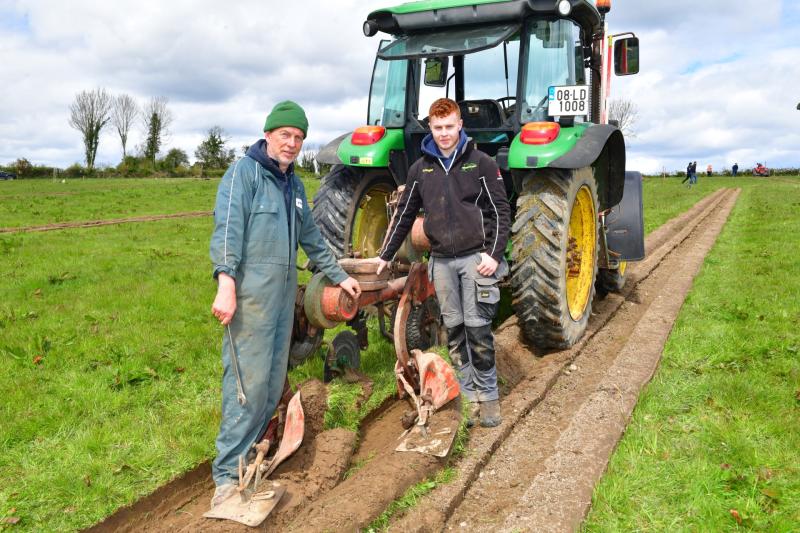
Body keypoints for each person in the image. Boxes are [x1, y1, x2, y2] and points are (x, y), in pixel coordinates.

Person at [208, 101, 361, 507]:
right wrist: (226, 283)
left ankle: (251, 464)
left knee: (273, 382)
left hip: (282, 302)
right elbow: (227, 230)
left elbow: (312, 237)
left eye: (299, 138)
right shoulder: (245, 174)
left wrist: (342, 276)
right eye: (285, 136)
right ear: (268, 134)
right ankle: (226, 478)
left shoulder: (293, 184)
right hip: (252, 298)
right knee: (247, 386)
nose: (292, 144)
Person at [373, 98, 511, 428]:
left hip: (474, 261)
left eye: (450, 126)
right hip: (442, 264)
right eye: (438, 128)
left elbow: (500, 212)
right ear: (430, 129)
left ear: (460, 125)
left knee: (479, 330)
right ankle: (467, 397)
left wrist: (492, 255)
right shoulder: (421, 170)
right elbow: (405, 216)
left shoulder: (480, 164)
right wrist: (385, 255)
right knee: (455, 332)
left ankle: (488, 398)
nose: (445, 134)